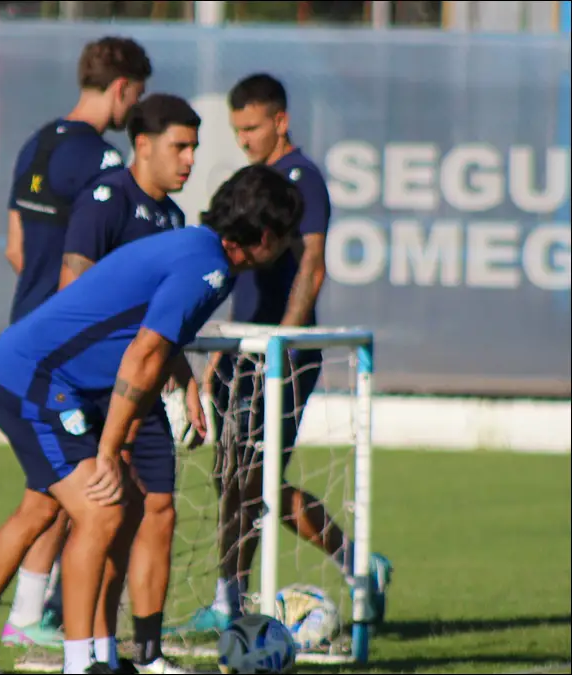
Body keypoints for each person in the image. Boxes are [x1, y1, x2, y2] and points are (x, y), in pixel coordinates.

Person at [0, 164, 304, 675]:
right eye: (287, 237)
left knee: (119, 509)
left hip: (63, 384)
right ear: (262, 236)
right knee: (100, 511)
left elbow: (154, 335)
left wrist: (188, 384)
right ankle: (76, 663)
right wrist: (107, 450)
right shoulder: (206, 269)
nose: (289, 248)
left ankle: (99, 653)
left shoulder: (200, 251)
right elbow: (144, 353)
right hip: (32, 378)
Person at [173, 73, 393, 637]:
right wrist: (223, 352)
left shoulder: (304, 180)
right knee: (234, 477)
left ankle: (350, 565)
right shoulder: (256, 182)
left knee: (254, 478)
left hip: (280, 355)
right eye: (237, 130)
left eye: (251, 127)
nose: (244, 139)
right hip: (243, 347)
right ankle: (232, 597)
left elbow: (313, 264)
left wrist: (283, 343)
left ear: (280, 121)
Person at [0, 35, 155, 657]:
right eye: (134, 96)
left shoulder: (37, 142)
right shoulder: (106, 166)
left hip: (24, 333)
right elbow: (105, 270)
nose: (133, 110)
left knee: (55, 489)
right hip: (71, 348)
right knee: (87, 488)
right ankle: (11, 619)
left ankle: (28, 613)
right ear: (121, 88)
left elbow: (15, 247)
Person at [45, 93, 204, 675]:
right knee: (101, 515)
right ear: (143, 145)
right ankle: (79, 653)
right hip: (101, 390)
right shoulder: (107, 200)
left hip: (147, 388)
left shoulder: (174, 219)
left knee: (157, 511)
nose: (188, 160)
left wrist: (184, 382)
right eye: (178, 147)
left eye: (194, 148)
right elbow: (71, 292)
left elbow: (167, 321)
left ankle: (147, 654)